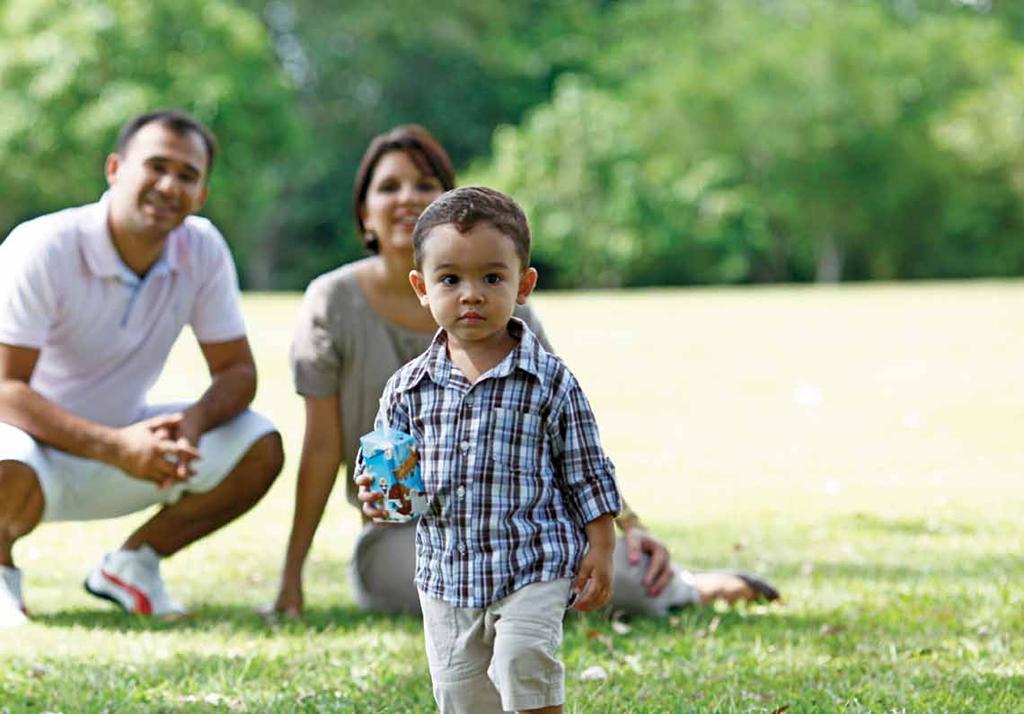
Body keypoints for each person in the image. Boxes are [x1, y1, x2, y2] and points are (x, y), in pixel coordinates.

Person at [272, 124, 778, 619]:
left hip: (519, 522)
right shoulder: (332, 301)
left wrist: (631, 525)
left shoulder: (502, 301)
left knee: (611, 574)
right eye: (389, 186)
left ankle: (688, 590)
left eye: (425, 185)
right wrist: (292, 575)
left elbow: (563, 431)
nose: (407, 198)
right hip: (408, 533)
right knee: (455, 586)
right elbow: (321, 446)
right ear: (364, 213)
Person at [0, 109, 284, 628]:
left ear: (201, 193)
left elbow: (238, 372)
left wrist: (191, 426)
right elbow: (4, 389)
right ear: (115, 169)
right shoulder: (42, 246)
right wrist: (117, 447)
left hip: (128, 445)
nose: (168, 185)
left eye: (187, 175)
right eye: (155, 166)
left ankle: (133, 564)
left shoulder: (202, 248)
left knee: (259, 444)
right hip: (26, 449)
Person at [359, 185, 621, 713]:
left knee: (526, 661)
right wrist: (380, 497)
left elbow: (586, 468)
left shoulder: (548, 380)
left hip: (533, 561)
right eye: (450, 279)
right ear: (422, 288)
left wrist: (602, 546)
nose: (471, 294)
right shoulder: (406, 390)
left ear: (523, 284)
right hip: (447, 572)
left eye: (492, 278)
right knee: (462, 696)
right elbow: (396, 490)